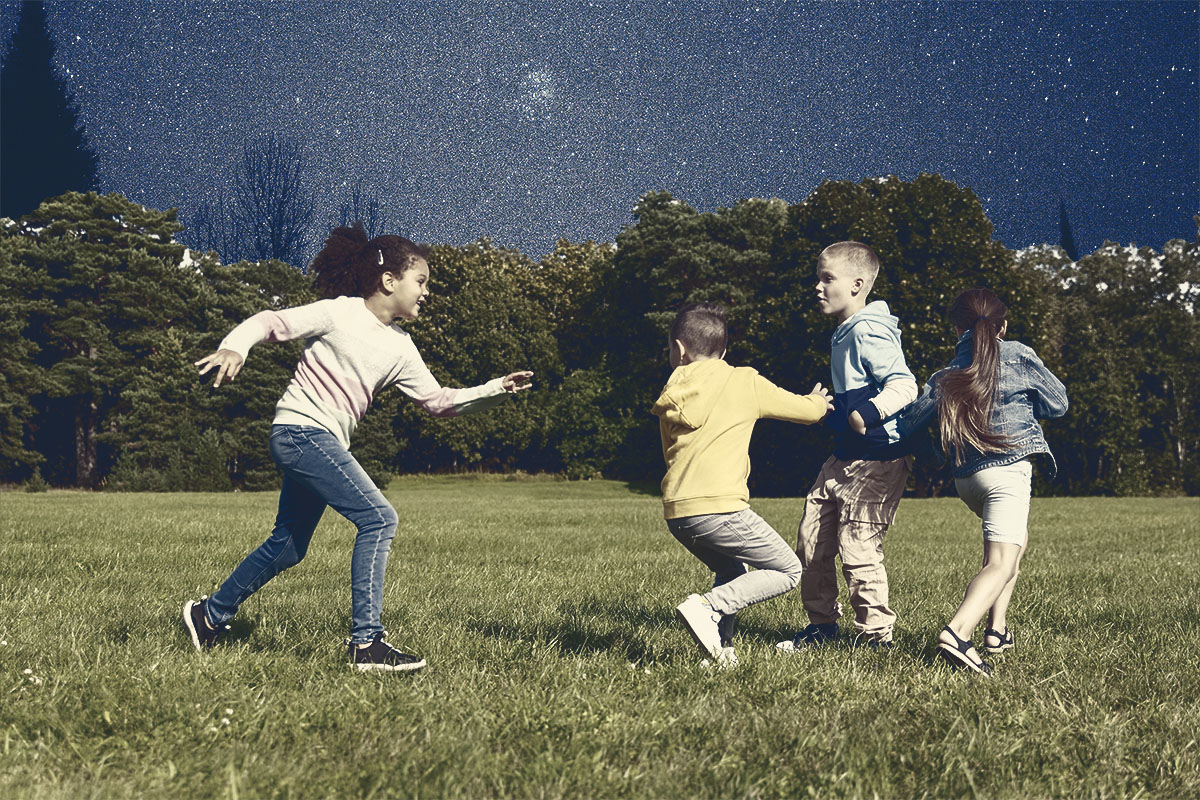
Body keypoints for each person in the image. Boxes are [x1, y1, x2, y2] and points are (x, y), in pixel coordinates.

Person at [182, 223, 533, 672]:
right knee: (380, 518)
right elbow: (271, 323)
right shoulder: (340, 313)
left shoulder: (402, 348)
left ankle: (209, 615)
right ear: (390, 281)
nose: (426, 292)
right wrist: (235, 348)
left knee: (288, 546)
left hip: (316, 440)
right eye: (421, 281)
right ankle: (366, 643)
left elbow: (439, 402)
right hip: (301, 432)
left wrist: (496, 388)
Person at [653, 302, 832, 667]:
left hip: (679, 513)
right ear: (723, 350)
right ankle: (708, 606)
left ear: (680, 349)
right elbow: (807, 412)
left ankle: (720, 651)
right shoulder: (742, 379)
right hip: (720, 508)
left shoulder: (671, 394)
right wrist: (817, 401)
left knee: (732, 570)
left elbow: (670, 454)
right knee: (787, 570)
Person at [899, 288, 1067, 675]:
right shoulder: (1019, 354)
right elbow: (1058, 403)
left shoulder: (945, 375)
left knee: (1013, 548)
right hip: (1008, 472)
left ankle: (997, 629)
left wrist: (935, 454)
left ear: (957, 327)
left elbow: (910, 424)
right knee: (1000, 562)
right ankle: (958, 633)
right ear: (1002, 325)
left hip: (967, 479)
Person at [778, 241, 918, 651]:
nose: (817, 288)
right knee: (812, 539)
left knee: (857, 547)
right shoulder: (843, 333)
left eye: (827, 279)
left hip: (878, 458)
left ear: (857, 284)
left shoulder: (868, 329)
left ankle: (876, 637)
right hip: (844, 456)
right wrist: (833, 409)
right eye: (817, 279)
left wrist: (866, 415)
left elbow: (905, 384)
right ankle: (822, 626)